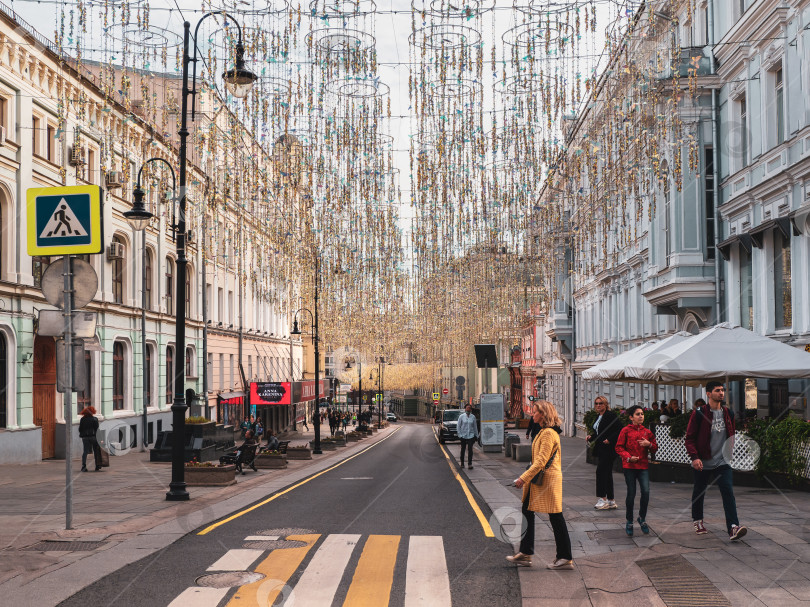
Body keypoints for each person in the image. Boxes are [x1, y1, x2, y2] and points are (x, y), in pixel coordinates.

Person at [508, 400, 573, 570]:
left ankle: (565, 556)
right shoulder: (544, 431)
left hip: (547, 480)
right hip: (539, 480)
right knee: (527, 510)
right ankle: (525, 553)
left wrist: (523, 478)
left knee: (556, 516)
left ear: (543, 414)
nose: (532, 414)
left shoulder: (548, 434)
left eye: (535, 412)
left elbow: (541, 462)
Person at [685, 381, 747, 540]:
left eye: (722, 390)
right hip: (703, 461)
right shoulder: (699, 413)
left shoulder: (729, 413)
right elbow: (690, 438)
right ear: (708, 394)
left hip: (722, 462)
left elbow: (731, 434)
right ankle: (697, 520)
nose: (721, 393)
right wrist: (695, 457)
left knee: (728, 492)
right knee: (699, 491)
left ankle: (733, 527)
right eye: (717, 390)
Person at [615, 405, 657, 536]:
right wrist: (628, 458)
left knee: (646, 492)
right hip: (629, 467)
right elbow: (619, 447)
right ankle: (629, 521)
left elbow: (655, 447)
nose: (641, 416)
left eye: (642, 414)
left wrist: (649, 444)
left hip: (643, 466)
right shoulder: (625, 431)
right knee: (631, 494)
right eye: (638, 414)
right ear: (631, 417)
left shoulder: (647, 432)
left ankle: (642, 518)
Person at [585, 396, 621, 510]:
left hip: (608, 449)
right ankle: (611, 500)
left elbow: (620, 429)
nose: (598, 405)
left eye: (601, 403)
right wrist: (591, 437)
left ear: (605, 404)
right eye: (596, 403)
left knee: (600, 472)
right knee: (607, 474)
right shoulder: (599, 416)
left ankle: (602, 499)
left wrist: (610, 439)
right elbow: (599, 432)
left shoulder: (610, 415)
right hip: (601, 448)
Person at [78, 406, 102, 472]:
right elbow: (97, 430)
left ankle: (83, 466)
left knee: (85, 451)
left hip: (85, 437)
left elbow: (80, 429)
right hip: (94, 437)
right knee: (96, 451)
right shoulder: (95, 419)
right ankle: (97, 466)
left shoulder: (82, 419)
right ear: (93, 412)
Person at [457, 403, 479, 469]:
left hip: (471, 436)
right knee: (463, 449)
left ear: (471, 409)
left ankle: (470, 464)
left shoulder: (473, 417)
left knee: (470, 450)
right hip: (463, 435)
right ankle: (462, 463)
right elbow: (458, 426)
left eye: (469, 408)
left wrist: (476, 435)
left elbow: (475, 427)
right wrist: (460, 435)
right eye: (467, 408)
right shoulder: (461, 416)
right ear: (465, 409)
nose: (468, 409)